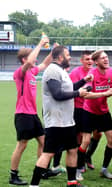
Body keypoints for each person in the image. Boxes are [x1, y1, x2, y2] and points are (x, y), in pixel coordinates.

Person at [29, 46, 112, 187]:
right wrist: (78, 93)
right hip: (56, 121)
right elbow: (57, 94)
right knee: (48, 153)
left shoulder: (61, 71)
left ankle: (72, 182)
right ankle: (34, 184)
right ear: (60, 57)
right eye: (67, 55)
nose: (69, 57)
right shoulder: (52, 71)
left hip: (67, 121)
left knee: (73, 150)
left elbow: (68, 88)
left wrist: (83, 82)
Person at [10, 36, 52, 185]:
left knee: (43, 141)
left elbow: (44, 64)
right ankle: (13, 175)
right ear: (23, 60)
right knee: (22, 144)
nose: (35, 59)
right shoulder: (20, 73)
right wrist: (40, 43)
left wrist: (53, 52)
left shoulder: (32, 72)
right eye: (31, 57)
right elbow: (30, 62)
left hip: (32, 114)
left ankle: (42, 170)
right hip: (23, 114)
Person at [77, 50, 112, 180]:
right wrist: (104, 93)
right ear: (96, 62)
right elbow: (86, 94)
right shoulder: (92, 74)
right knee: (86, 141)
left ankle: (104, 169)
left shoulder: (111, 72)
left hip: (103, 111)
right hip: (89, 112)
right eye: (102, 58)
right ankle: (78, 169)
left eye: (106, 57)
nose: (106, 60)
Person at [69, 51, 101, 172]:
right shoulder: (75, 73)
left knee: (98, 134)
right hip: (79, 108)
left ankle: (87, 157)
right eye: (87, 59)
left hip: (94, 108)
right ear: (82, 60)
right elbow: (71, 88)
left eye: (91, 59)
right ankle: (80, 162)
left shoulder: (95, 71)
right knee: (80, 137)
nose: (90, 61)